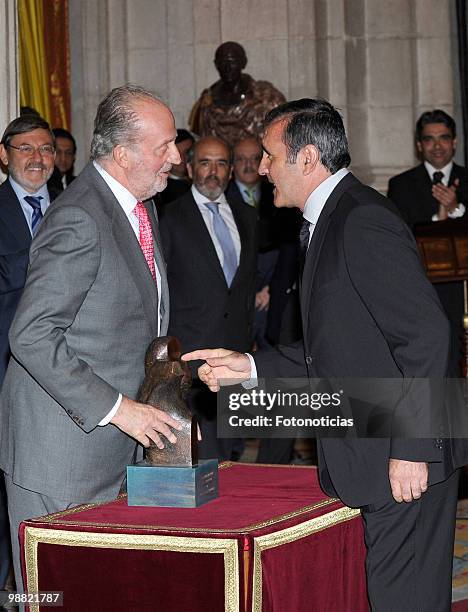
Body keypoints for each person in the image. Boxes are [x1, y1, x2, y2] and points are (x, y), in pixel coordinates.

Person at [184, 99, 468, 610]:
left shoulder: (361, 220)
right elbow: (335, 351)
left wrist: (411, 449)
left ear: (308, 158)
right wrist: (248, 367)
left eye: (270, 156)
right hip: (372, 443)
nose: (262, 168)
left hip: (399, 454)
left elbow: (427, 336)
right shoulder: (327, 220)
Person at [0, 85, 183, 591]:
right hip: (61, 456)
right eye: (164, 145)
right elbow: (32, 333)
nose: (175, 155)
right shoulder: (80, 216)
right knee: (52, 595)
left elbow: (131, 324)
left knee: (101, 593)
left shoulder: (137, 207)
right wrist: (119, 408)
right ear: (123, 154)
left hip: (112, 450)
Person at [160, 136, 257, 460]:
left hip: (237, 354)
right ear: (189, 168)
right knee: (201, 453)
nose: (212, 171)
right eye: (204, 162)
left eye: (220, 163)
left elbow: (243, 287)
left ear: (230, 171)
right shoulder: (169, 218)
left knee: (234, 453)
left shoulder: (246, 217)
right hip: (191, 355)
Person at [0, 114, 56, 592]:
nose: (37, 158)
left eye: (46, 149)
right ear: (4, 155)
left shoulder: (74, 208)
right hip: (5, 369)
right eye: (26, 148)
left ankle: (44, 588)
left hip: (64, 379)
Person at [388, 110, 468, 376]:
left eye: (444, 138)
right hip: (423, 289)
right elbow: (400, 238)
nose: (437, 146)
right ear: (419, 145)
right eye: (429, 139)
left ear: (454, 142)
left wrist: (456, 210)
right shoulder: (401, 185)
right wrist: (437, 218)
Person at [189, 41, 285, 147]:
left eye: (232, 61)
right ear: (216, 64)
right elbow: (199, 139)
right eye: (222, 62)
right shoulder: (206, 103)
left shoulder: (267, 96)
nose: (227, 67)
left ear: (243, 62)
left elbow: (283, 128)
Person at [157, 128, 194, 210]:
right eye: (177, 152)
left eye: (187, 153)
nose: (182, 158)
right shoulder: (159, 189)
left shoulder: (201, 183)